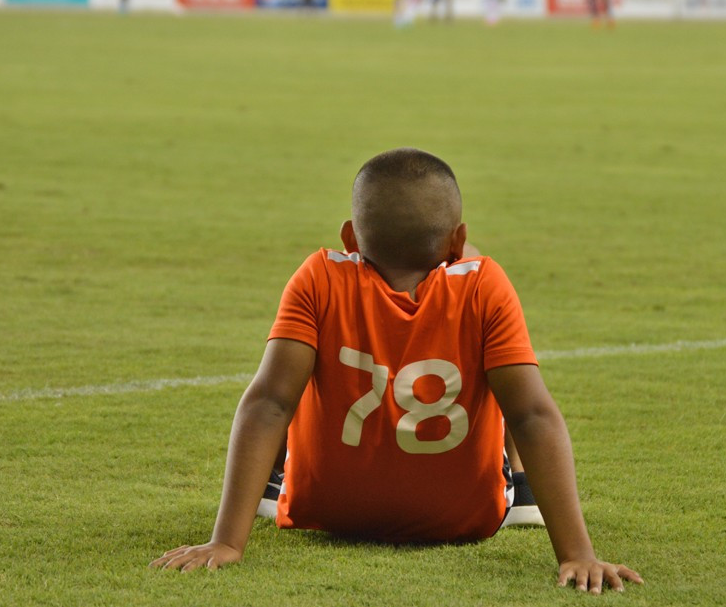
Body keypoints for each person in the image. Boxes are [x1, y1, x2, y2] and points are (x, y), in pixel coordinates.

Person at [150, 148, 644, 594]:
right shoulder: (485, 284)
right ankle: (523, 487)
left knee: (285, 382)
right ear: (457, 239)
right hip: (463, 519)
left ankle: (273, 482)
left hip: (329, 510)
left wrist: (226, 542)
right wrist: (578, 553)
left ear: (349, 236)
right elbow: (532, 416)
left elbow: (268, 404)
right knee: (512, 376)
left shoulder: (318, 276)